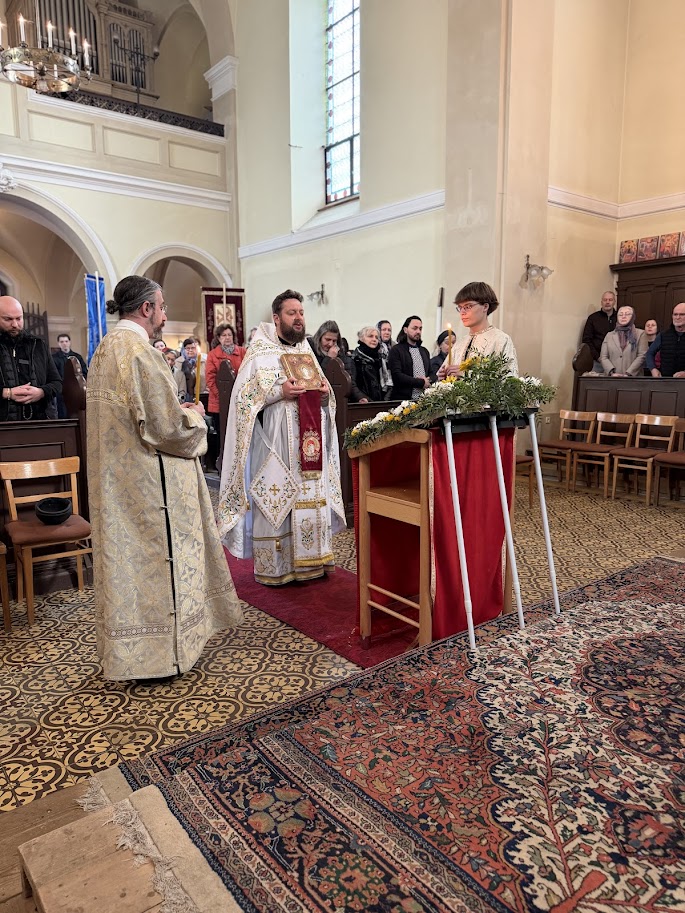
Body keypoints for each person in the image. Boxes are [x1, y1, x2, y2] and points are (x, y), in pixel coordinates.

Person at [86, 275, 242, 681]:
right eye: (162, 306)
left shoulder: (105, 348)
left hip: (121, 484)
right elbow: (166, 427)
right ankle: (166, 656)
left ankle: (138, 653)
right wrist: (195, 417)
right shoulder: (140, 352)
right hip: (153, 488)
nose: (165, 315)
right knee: (160, 563)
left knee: (133, 571)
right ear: (146, 308)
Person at [218, 289, 346, 586]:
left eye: (301, 312)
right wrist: (279, 392)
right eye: (292, 313)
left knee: (309, 494)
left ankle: (313, 561)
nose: (299, 318)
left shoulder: (306, 351)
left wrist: (324, 395)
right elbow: (243, 400)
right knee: (279, 498)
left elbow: (325, 395)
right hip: (275, 445)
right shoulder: (260, 353)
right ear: (276, 318)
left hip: (309, 443)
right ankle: (277, 568)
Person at [438, 282, 518, 378]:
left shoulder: (500, 340)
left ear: (485, 307)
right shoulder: (460, 344)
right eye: (460, 307)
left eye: (467, 307)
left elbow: (508, 380)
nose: (462, 312)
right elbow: (446, 374)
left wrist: (466, 374)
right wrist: (443, 377)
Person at [0, 296, 62, 421]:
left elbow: (57, 383)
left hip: (39, 422)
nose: (15, 324)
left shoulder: (38, 345)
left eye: (19, 318)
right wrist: (7, 393)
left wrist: (41, 392)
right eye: (8, 319)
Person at [205, 323, 247, 462]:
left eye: (229, 335)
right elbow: (210, 379)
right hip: (219, 402)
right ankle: (223, 462)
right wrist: (223, 397)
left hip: (239, 400)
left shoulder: (242, 352)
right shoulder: (213, 355)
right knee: (222, 433)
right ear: (218, 338)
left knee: (239, 433)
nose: (227, 337)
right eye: (224, 335)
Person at [310, 320, 366, 402]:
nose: (330, 344)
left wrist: (360, 397)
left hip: (337, 400)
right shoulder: (310, 352)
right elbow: (317, 379)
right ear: (319, 338)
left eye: (334, 341)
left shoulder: (341, 356)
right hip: (317, 399)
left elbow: (349, 382)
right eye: (327, 339)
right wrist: (329, 358)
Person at [387, 316, 431, 401]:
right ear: (405, 330)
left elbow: (431, 372)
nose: (418, 331)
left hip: (424, 400)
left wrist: (429, 380)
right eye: (414, 328)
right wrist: (421, 382)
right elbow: (397, 376)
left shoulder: (424, 351)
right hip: (403, 400)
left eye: (420, 329)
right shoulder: (396, 350)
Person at [599, 305, 648, 376]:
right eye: (620, 315)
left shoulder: (641, 334)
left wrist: (629, 373)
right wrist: (612, 373)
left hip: (633, 378)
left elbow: (642, 356)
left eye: (627, 314)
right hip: (612, 378)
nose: (623, 316)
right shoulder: (609, 335)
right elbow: (603, 357)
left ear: (633, 317)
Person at [52, 333, 88, 418]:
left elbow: (84, 372)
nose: (64, 343)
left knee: (77, 414)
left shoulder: (77, 357)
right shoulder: (53, 358)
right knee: (62, 413)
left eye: (66, 341)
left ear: (69, 342)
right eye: (62, 342)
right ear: (58, 343)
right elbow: (54, 374)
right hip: (61, 391)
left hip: (76, 391)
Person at [646, 302, 685, 378]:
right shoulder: (663, 335)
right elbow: (649, 353)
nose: (677, 317)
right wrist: (653, 369)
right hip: (665, 380)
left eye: (682, 314)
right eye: (675, 314)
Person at [582, 291, 617, 372]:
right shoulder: (593, 318)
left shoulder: (620, 317)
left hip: (617, 361)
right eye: (605, 300)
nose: (607, 302)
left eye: (610, 300)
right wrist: (598, 357)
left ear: (614, 302)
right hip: (598, 362)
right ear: (601, 302)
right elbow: (586, 340)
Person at [350, 326, 384, 401]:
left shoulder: (380, 359)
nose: (374, 339)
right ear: (361, 338)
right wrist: (362, 398)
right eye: (370, 336)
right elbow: (352, 384)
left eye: (376, 337)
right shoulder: (355, 359)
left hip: (379, 402)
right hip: (363, 402)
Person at [377, 319, 394, 399]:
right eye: (384, 330)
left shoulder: (395, 347)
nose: (387, 332)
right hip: (379, 384)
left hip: (393, 383)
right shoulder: (375, 346)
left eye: (389, 330)